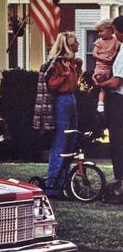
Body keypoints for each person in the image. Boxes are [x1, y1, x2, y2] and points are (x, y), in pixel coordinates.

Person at [33, 32, 82, 197]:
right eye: (75, 42)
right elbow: (51, 85)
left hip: (72, 99)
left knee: (70, 143)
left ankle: (65, 183)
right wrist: (64, 74)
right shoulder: (58, 63)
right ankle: (52, 186)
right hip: (61, 101)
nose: (79, 44)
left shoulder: (71, 62)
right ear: (68, 45)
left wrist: (77, 69)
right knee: (60, 143)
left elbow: (75, 84)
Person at [93, 15, 123, 192]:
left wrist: (100, 84)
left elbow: (116, 82)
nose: (114, 34)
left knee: (118, 142)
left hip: (119, 101)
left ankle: (120, 182)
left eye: (116, 30)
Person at [91, 18, 120, 113]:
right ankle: (100, 104)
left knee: (107, 86)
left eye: (101, 31)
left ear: (110, 30)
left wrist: (112, 58)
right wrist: (104, 59)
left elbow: (117, 51)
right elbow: (94, 54)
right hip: (100, 65)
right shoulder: (99, 42)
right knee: (101, 81)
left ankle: (102, 103)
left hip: (110, 67)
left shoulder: (116, 41)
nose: (99, 34)